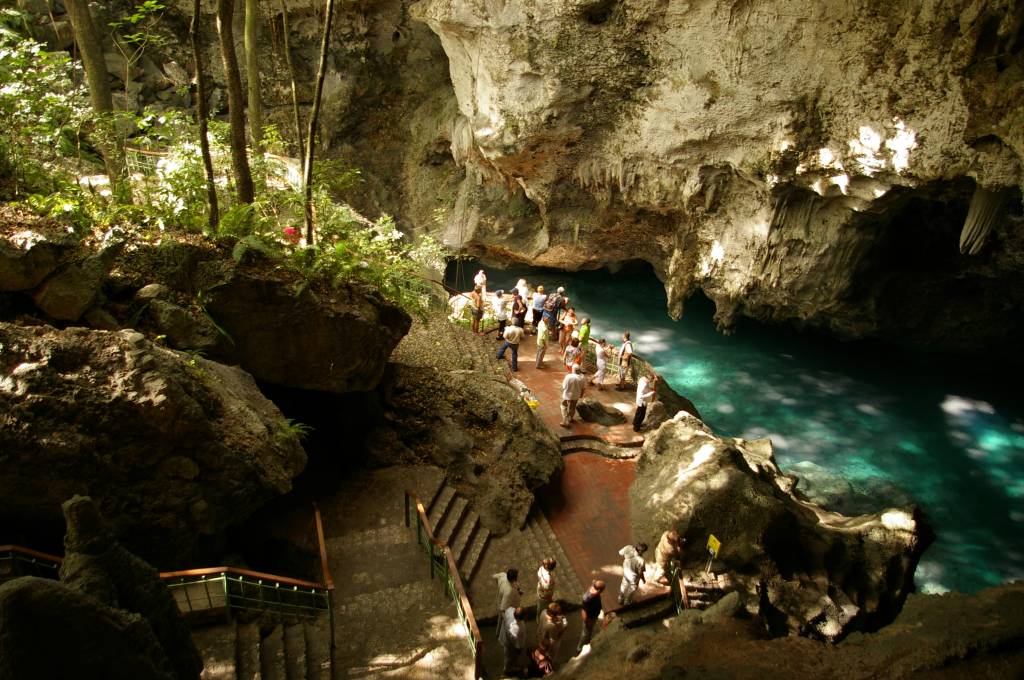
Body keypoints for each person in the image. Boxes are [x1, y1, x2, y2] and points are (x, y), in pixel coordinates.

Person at [575, 580, 606, 655]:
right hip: (590, 619)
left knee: (588, 632)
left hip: (593, 616)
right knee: (585, 633)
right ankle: (579, 648)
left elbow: (593, 582)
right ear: (599, 590)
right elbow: (584, 611)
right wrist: (587, 622)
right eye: (602, 590)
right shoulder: (589, 598)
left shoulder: (594, 589)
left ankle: (587, 640)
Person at [498, 606, 525, 676]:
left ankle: (509, 667)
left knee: (507, 655)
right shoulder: (518, 628)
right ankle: (507, 670)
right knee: (509, 657)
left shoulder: (510, 610)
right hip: (512, 645)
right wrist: (519, 648)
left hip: (505, 637)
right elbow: (516, 641)